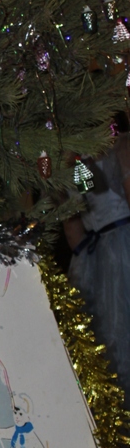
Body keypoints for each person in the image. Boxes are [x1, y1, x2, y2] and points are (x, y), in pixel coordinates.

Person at [63, 117, 130, 408]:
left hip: (97, 251)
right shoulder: (118, 146)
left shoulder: (65, 160)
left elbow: (72, 228)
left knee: (108, 335)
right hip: (116, 247)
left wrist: (84, 258)